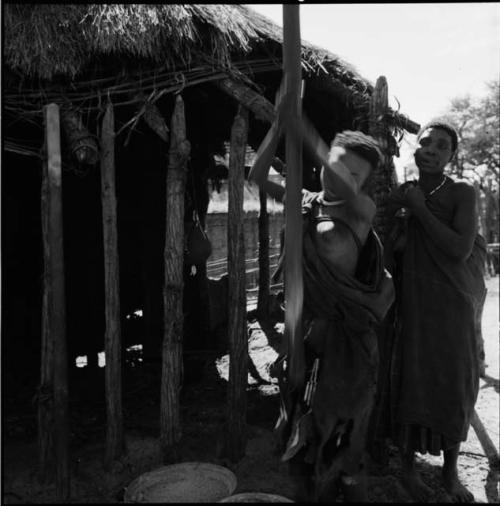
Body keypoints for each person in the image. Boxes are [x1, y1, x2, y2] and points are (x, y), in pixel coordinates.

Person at [249, 94, 395, 502]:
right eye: (335, 163)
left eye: (353, 172)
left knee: (346, 423)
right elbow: (259, 176)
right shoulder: (306, 204)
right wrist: (280, 126)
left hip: (348, 337)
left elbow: (337, 171)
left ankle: (349, 484)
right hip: (307, 332)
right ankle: (311, 484)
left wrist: (300, 124)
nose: (340, 175)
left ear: (363, 182)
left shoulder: (361, 211)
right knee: (303, 415)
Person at [381, 120, 487, 502]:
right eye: (425, 142)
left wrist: (420, 212)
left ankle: (450, 473)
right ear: (415, 148)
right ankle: (408, 472)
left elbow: (459, 249)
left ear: (451, 155)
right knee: (414, 379)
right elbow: (387, 250)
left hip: (455, 304)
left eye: (441, 146)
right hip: (416, 305)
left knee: (456, 383)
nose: (430, 149)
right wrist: (402, 226)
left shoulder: (462, 192)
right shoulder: (402, 194)